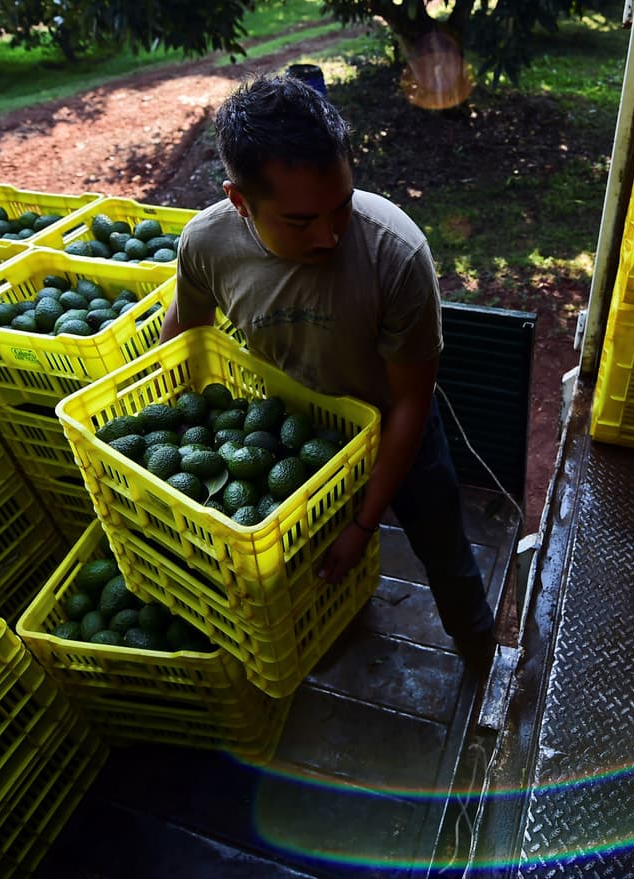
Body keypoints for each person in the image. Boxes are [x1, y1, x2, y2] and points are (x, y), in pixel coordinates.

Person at [159, 74, 495, 658]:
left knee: (444, 547)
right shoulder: (206, 244)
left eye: (340, 207)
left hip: (395, 426)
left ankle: (479, 647)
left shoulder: (395, 251)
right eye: (300, 221)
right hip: (292, 437)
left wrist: (364, 525)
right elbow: (184, 331)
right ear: (239, 200)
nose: (330, 235)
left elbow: (413, 400)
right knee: (312, 566)